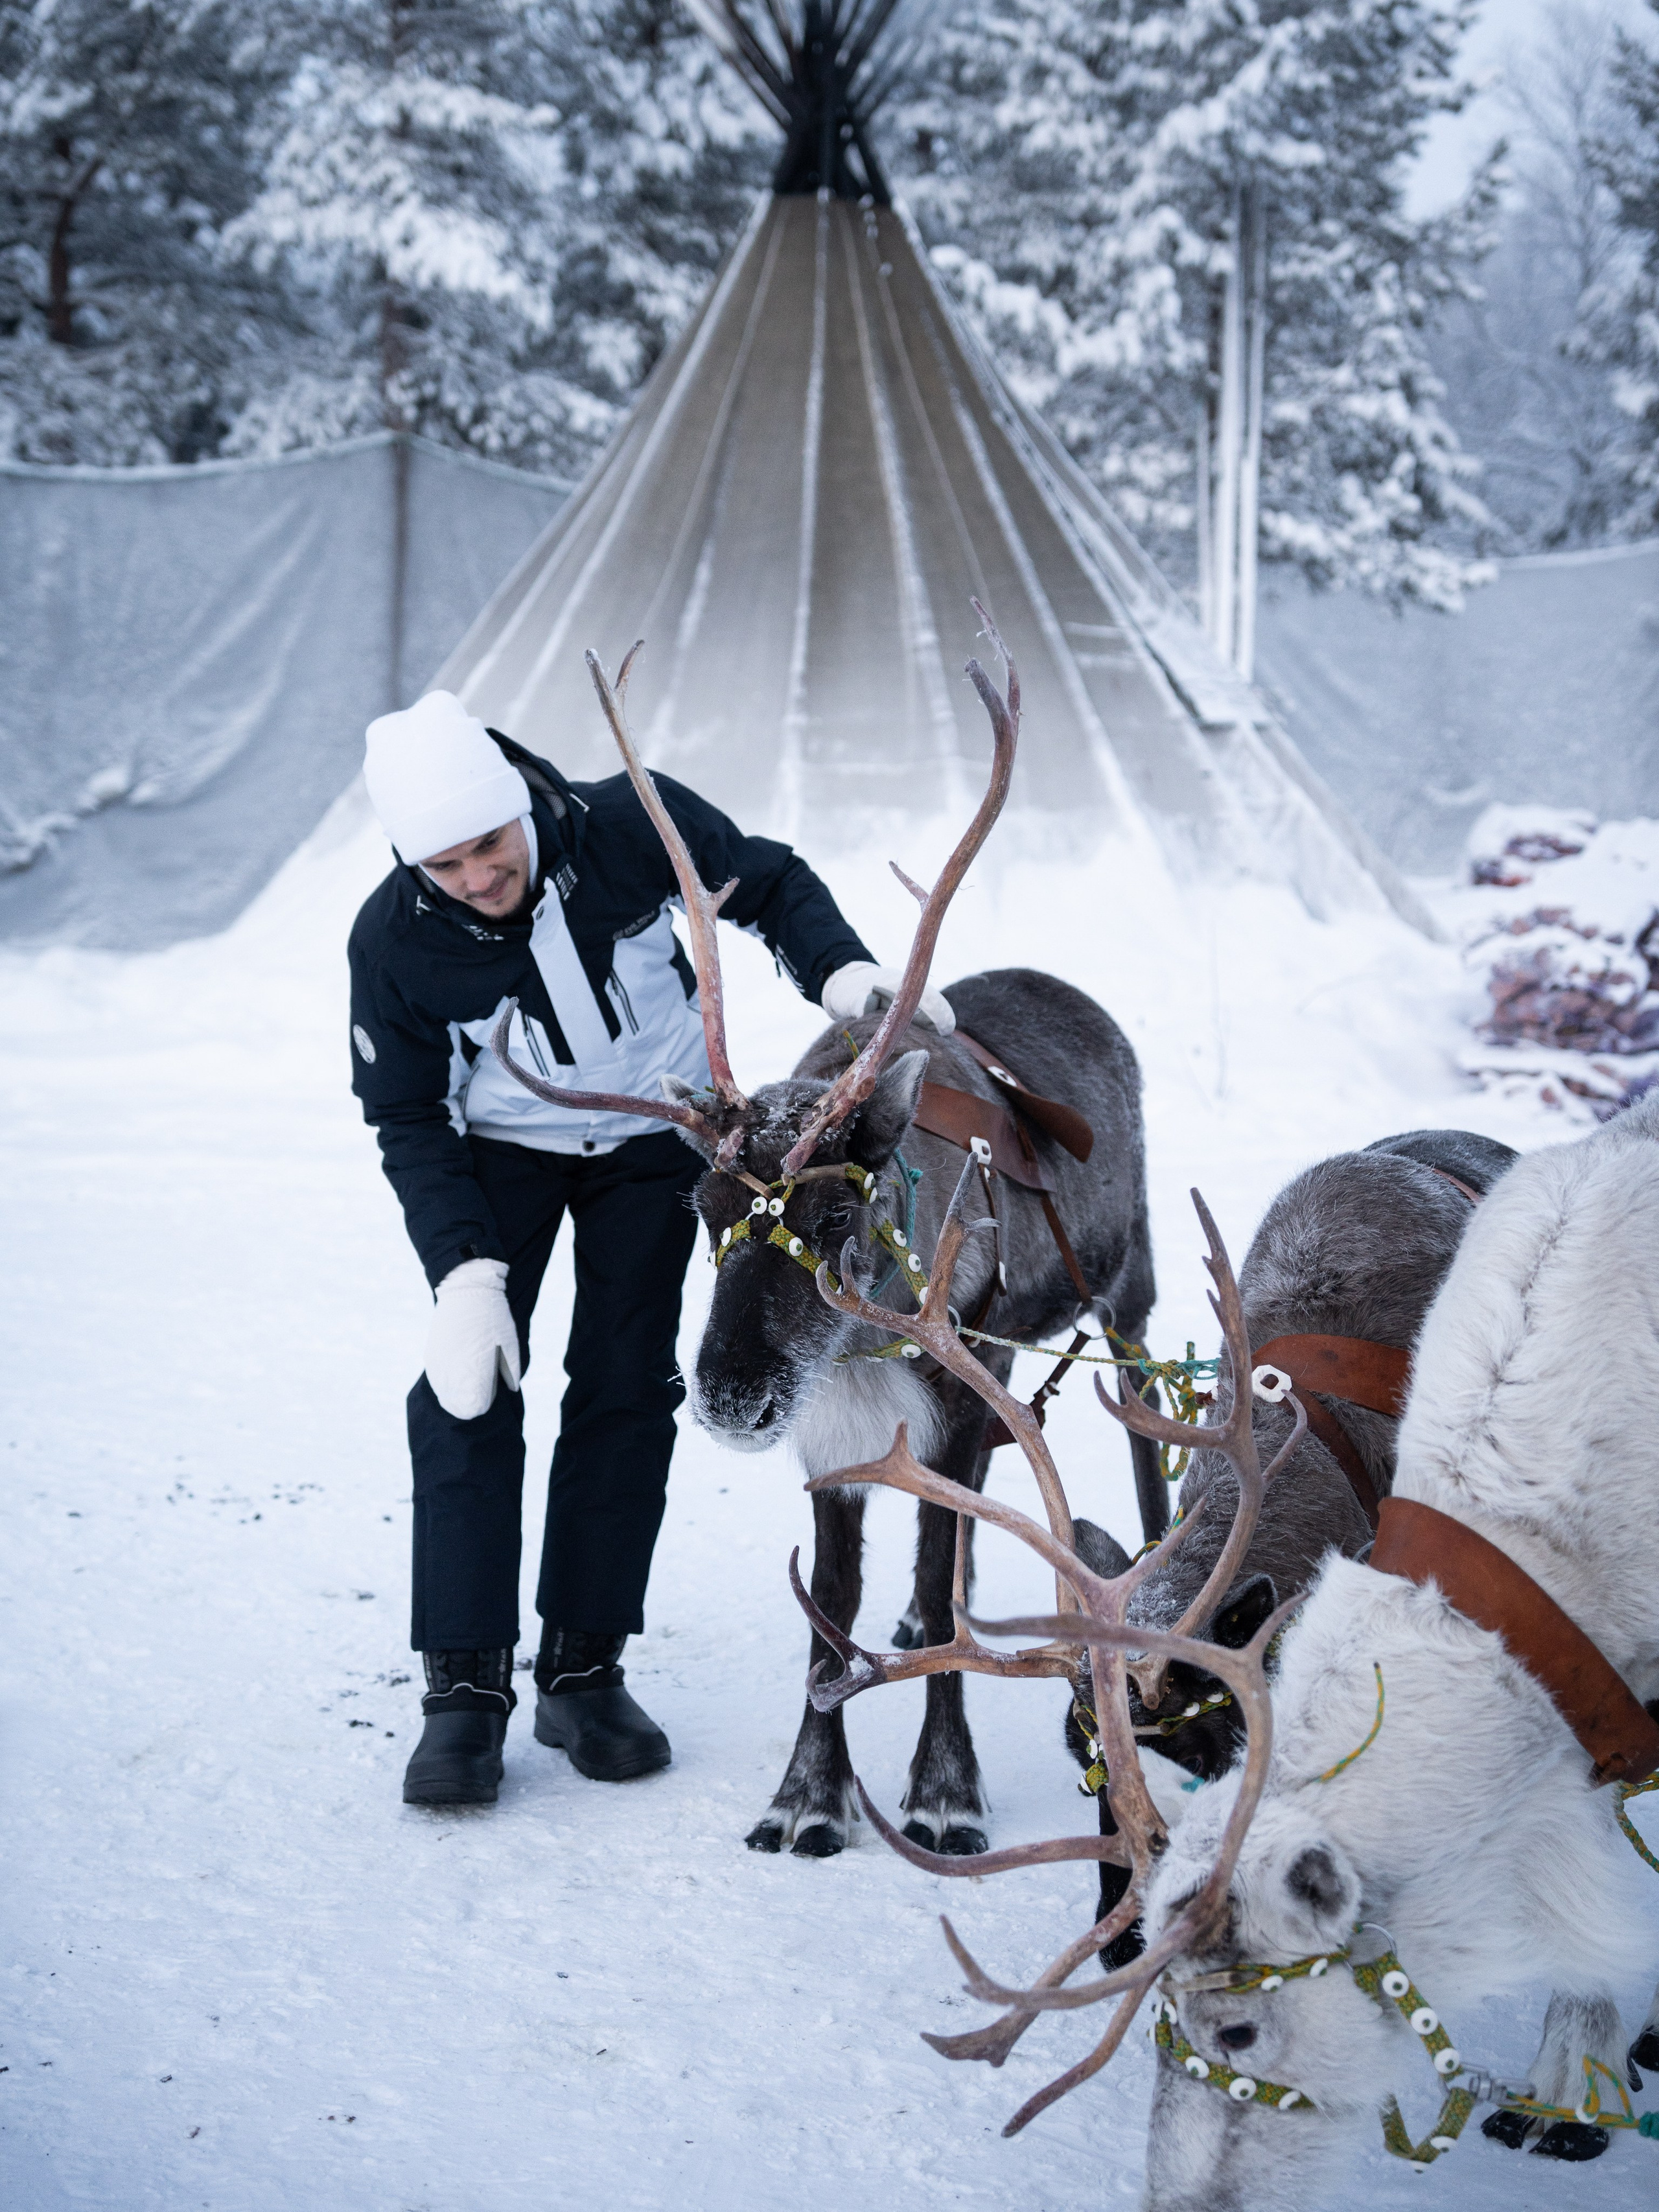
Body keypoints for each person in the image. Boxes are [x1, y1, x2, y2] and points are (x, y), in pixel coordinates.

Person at [349, 690, 953, 1807]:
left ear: (517, 805)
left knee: (628, 1381)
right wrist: (465, 1273)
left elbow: (765, 881)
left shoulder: (628, 824)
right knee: (469, 1391)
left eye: (489, 845)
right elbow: (408, 1116)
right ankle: (464, 1690)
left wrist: (842, 974)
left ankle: (584, 1667)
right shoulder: (394, 942)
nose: (479, 876)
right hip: (503, 1154)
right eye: (447, 866)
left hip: (657, 1141)